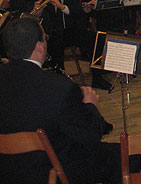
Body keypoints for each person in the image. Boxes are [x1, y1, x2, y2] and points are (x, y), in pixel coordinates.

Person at [0, 17, 125, 184]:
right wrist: (91, 105)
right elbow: (91, 136)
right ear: (39, 47)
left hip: (7, 170)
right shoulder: (59, 88)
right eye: (45, 39)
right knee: (125, 156)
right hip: (50, 171)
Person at [29, 0, 83, 69]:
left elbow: (76, 11)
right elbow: (34, 14)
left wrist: (60, 6)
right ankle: (57, 72)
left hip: (69, 30)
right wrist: (37, 10)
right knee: (55, 45)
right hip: (50, 33)